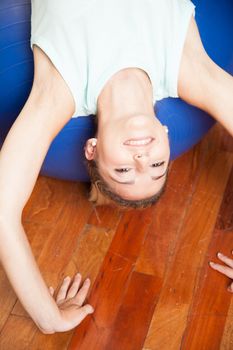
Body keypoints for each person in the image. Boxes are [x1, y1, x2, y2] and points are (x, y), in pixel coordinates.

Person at [0, 0, 232, 334]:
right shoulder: (189, 71)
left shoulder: (58, 94)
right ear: (166, 136)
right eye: (157, 165)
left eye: (124, 171)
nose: (141, 159)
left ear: (92, 149)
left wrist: (48, 319)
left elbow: (5, 213)